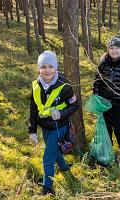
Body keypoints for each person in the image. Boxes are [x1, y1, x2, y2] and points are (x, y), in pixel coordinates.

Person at [28, 50, 79, 195]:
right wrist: (32, 130)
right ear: (39, 69)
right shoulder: (35, 86)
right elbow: (33, 109)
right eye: (43, 66)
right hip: (45, 127)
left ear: (55, 68)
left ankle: (47, 188)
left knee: (47, 158)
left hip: (59, 128)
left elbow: (75, 105)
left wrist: (61, 114)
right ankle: (65, 169)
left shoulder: (65, 86)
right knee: (54, 151)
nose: (47, 70)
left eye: (50, 66)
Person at [93, 36, 120, 164]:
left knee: (119, 130)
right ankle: (106, 156)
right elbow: (96, 83)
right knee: (106, 130)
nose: (114, 51)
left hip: (118, 103)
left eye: (117, 48)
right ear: (108, 50)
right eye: (111, 48)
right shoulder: (102, 65)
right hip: (104, 103)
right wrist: (97, 101)